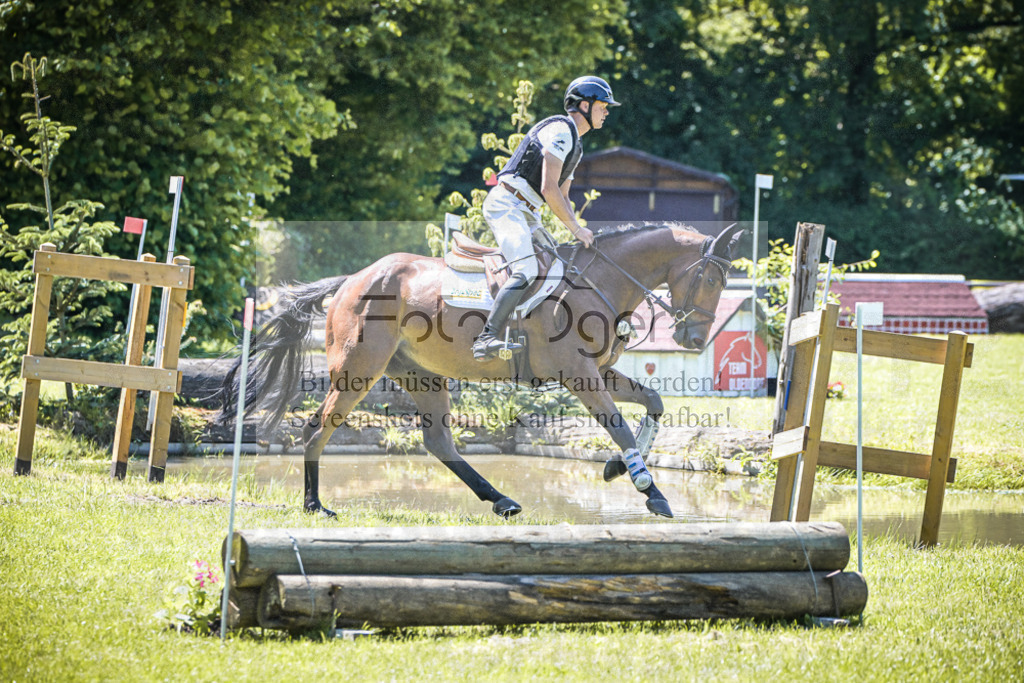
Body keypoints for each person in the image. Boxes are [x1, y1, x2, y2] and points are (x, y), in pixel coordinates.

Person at [472, 75, 620, 361]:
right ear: (585, 106)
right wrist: (576, 229)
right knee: (526, 268)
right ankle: (486, 338)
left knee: (560, 265)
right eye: (603, 106)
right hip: (507, 204)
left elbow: (563, 196)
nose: (607, 112)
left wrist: (580, 231)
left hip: (529, 212)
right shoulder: (561, 130)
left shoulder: (576, 145)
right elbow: (548, 188)